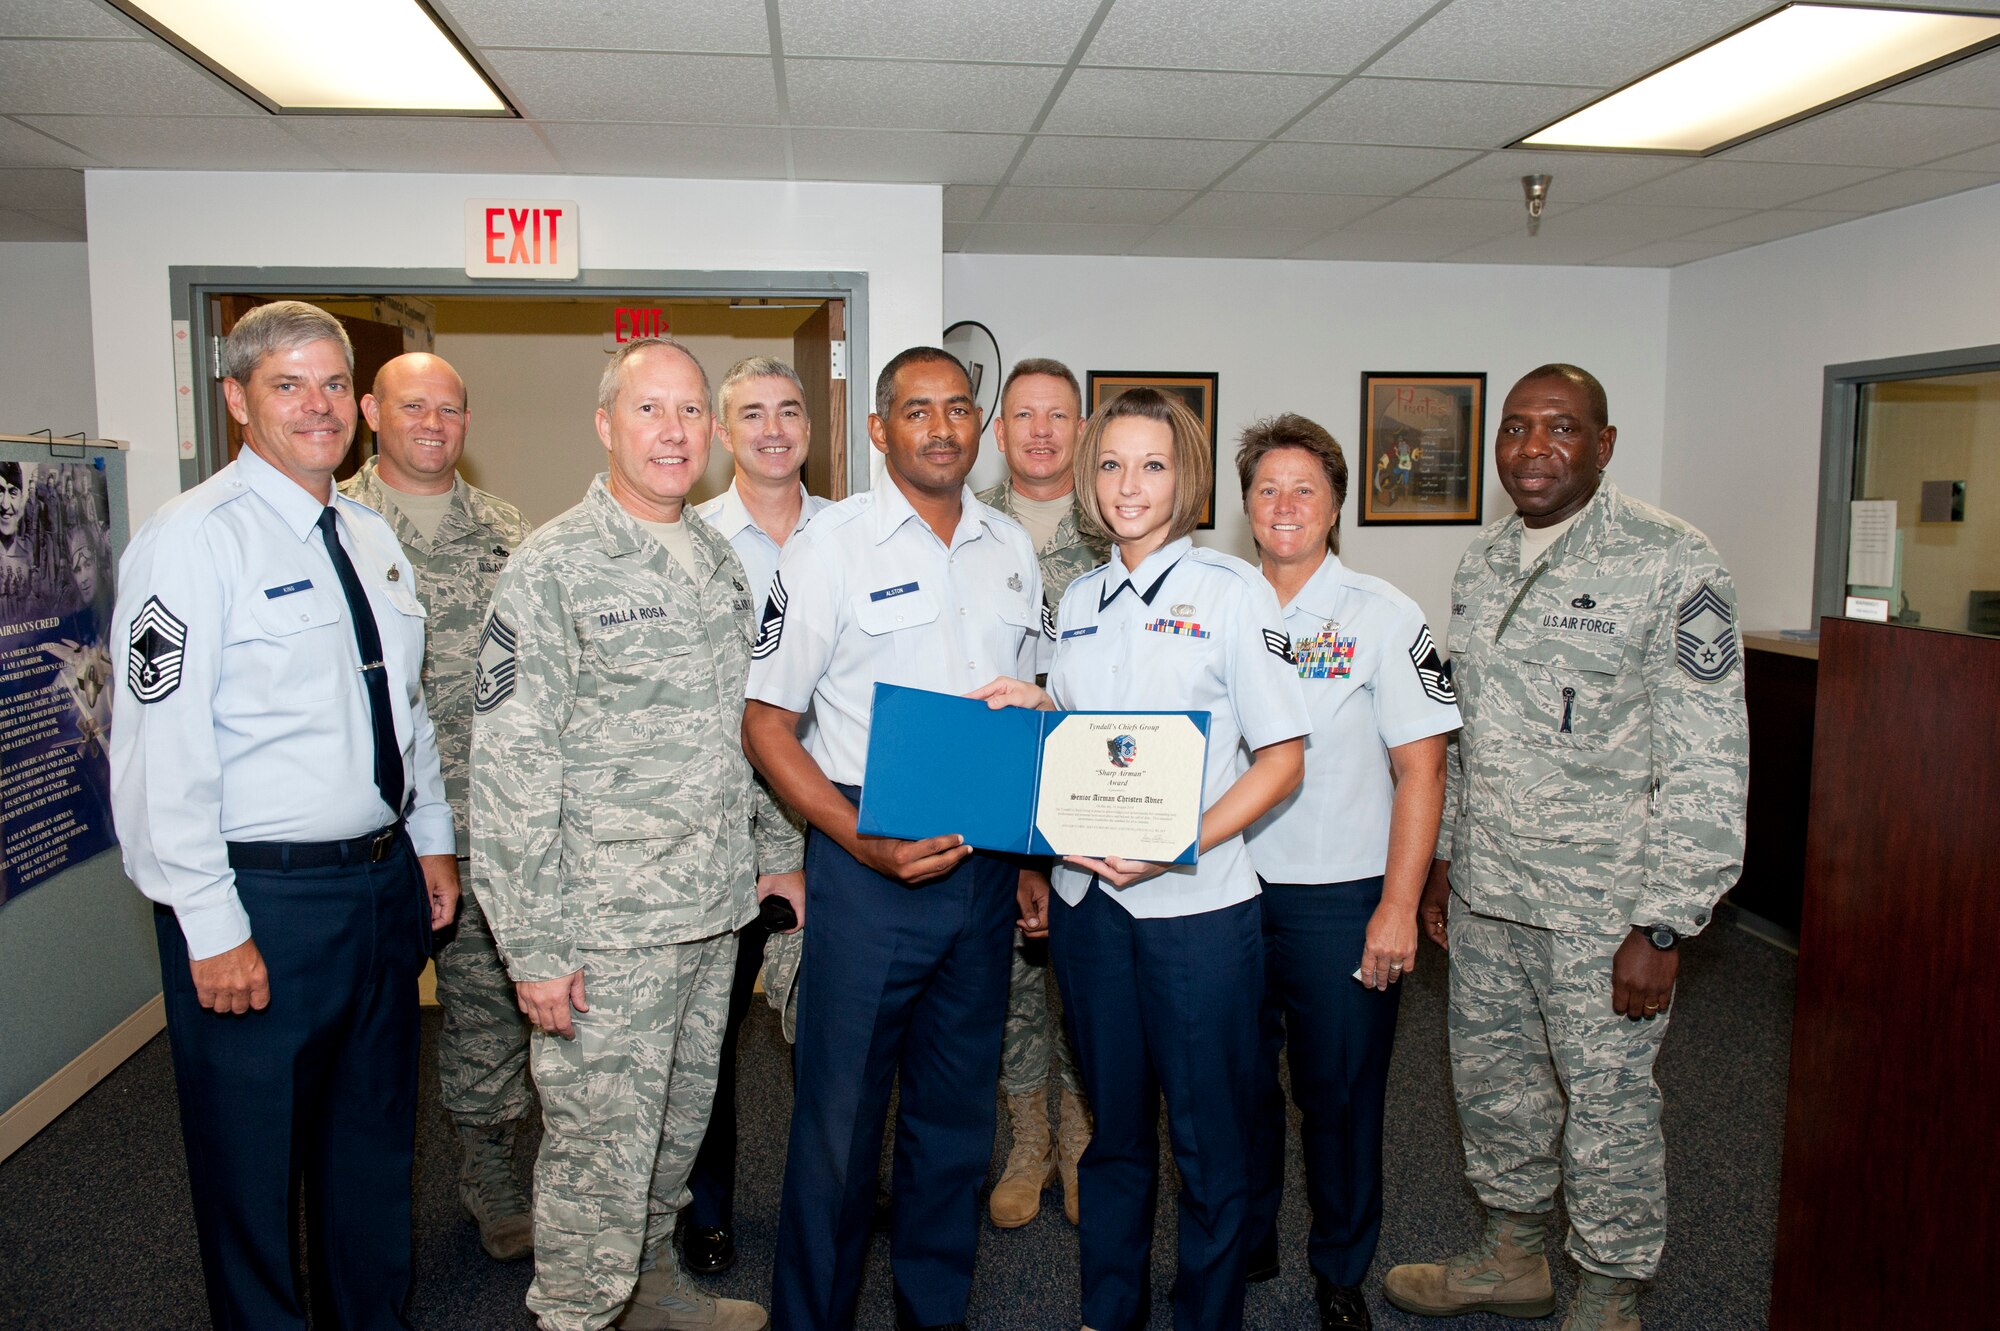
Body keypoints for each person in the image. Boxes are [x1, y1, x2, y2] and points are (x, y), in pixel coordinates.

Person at [109, 300, 459, 1331]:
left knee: (371, 1143)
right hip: (259, 897)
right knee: (253, 1165)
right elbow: (156, 755)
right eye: (285, 385)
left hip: (378, 885)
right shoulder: (192, 540)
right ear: (236, 399)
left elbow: (406, 707)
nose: (317, 407)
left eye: (331, 385)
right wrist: (208, 926)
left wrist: (431, 840)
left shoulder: (365, 532)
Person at [1382, 364, 1749, 1331]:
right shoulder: (1488, 559)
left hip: (1604, 910)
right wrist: (1447, 861)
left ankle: (1608, 1295)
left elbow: (1709, 761)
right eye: (1515, 429)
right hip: (1491, 893)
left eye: (1561, 428)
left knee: (1610, 1109)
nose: (1533, 448)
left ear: (1605, 443)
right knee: (1495, 1087)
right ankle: (1512, 1256)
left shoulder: (1673, 561)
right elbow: (1471, 729)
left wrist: (1665, 925)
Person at [472, 337, 800, 1331]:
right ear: (607, 422)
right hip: (601, 927)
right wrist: (530, 946)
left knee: (667, 1134)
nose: (672, 432)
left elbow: (741, 727)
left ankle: (649, 1288)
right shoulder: (554, 566)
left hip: (707, 909)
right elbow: (510, 767)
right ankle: (576, 1309)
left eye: (690, 411)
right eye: (650, 410)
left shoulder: (713, 557)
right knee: (592, 1152)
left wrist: (772, 850)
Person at [982, 387, 1311, 1331]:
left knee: (1208, 1141)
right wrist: (1037, 709)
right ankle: (1107, 1309)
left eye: (1154, 465)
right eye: (1114, 464)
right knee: (1115, 1133)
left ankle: (1207, 1314)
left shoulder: (1234, 593)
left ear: (1187, 479)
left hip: (1199, 910)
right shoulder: (1078, 600)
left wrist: (1178, 842)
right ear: (1090, 477)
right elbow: (1092, 737)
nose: (1131, 485)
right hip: (1092, 911)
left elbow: (1281, 760)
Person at [742, 346, 1045, 1331]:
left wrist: (1031, 854)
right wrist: (855, 840)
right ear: (879, 430)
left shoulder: (1011, 548)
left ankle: (933, 1311)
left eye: (958, 408)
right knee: (838, 1126)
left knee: (953, 1125)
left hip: (984, 866)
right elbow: (766, 724)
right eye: (917, 410)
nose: (941, 427)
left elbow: (1029, 707)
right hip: (866, 865)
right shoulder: (826, 549)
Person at [1233, 415, 1459, 1331]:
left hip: (1342, 897)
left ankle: (1340, 1265)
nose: (1285, 507)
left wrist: (1399, 906)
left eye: (1305, 490)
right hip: (1227, 892)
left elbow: (1424, 767)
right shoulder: (1216, 601)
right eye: (1266, 489)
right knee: (1233, 1084)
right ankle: (1246, 1233)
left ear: (1335, 505)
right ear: (1244, 505)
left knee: (1339, 1094)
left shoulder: (1382, 613)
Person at [341, 351, 537, 1262]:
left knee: (489, 1006)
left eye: (450, 408)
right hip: (363, 833)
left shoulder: (509, 533)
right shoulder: (329, 524)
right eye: (412, 405)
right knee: (354, 1027)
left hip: (482, 823)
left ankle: (488, 1167)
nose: (432, 422)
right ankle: (350, 1202)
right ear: (373, 411)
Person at [680, 355, 829, 1277]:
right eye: (751, 414)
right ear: (723, 435)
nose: (773, 428)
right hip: (720, 839)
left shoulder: (856, 537)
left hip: (841, 828)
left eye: (789, 410)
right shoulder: (688, 540)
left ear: (809, 424)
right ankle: (707, 1207)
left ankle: (839, 1188)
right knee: (708, 1040)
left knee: (835, 1032)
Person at [973, 356, 1108, 1230]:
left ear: (1082, 428)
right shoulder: (969, 533)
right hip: (997, 784)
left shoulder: (1118, 534)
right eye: (1023, 415)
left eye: (1058, 415)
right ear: (999, 431)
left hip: (1099, 788)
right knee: (1015, 978)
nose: (1042, 431)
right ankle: (1027, 1140)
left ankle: (1086, 1139)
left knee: (1090, 975)